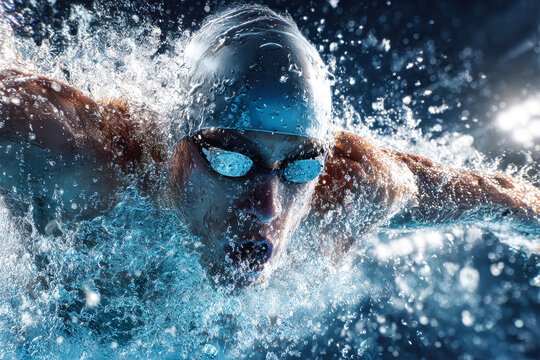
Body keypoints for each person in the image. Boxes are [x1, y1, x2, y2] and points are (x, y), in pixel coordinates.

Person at [1, 5, 538, 285]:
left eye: (299, 168)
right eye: (233, 162)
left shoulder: (351, 188)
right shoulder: (75, 163)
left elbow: (504, 197)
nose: (267, 206)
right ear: (176, 151)